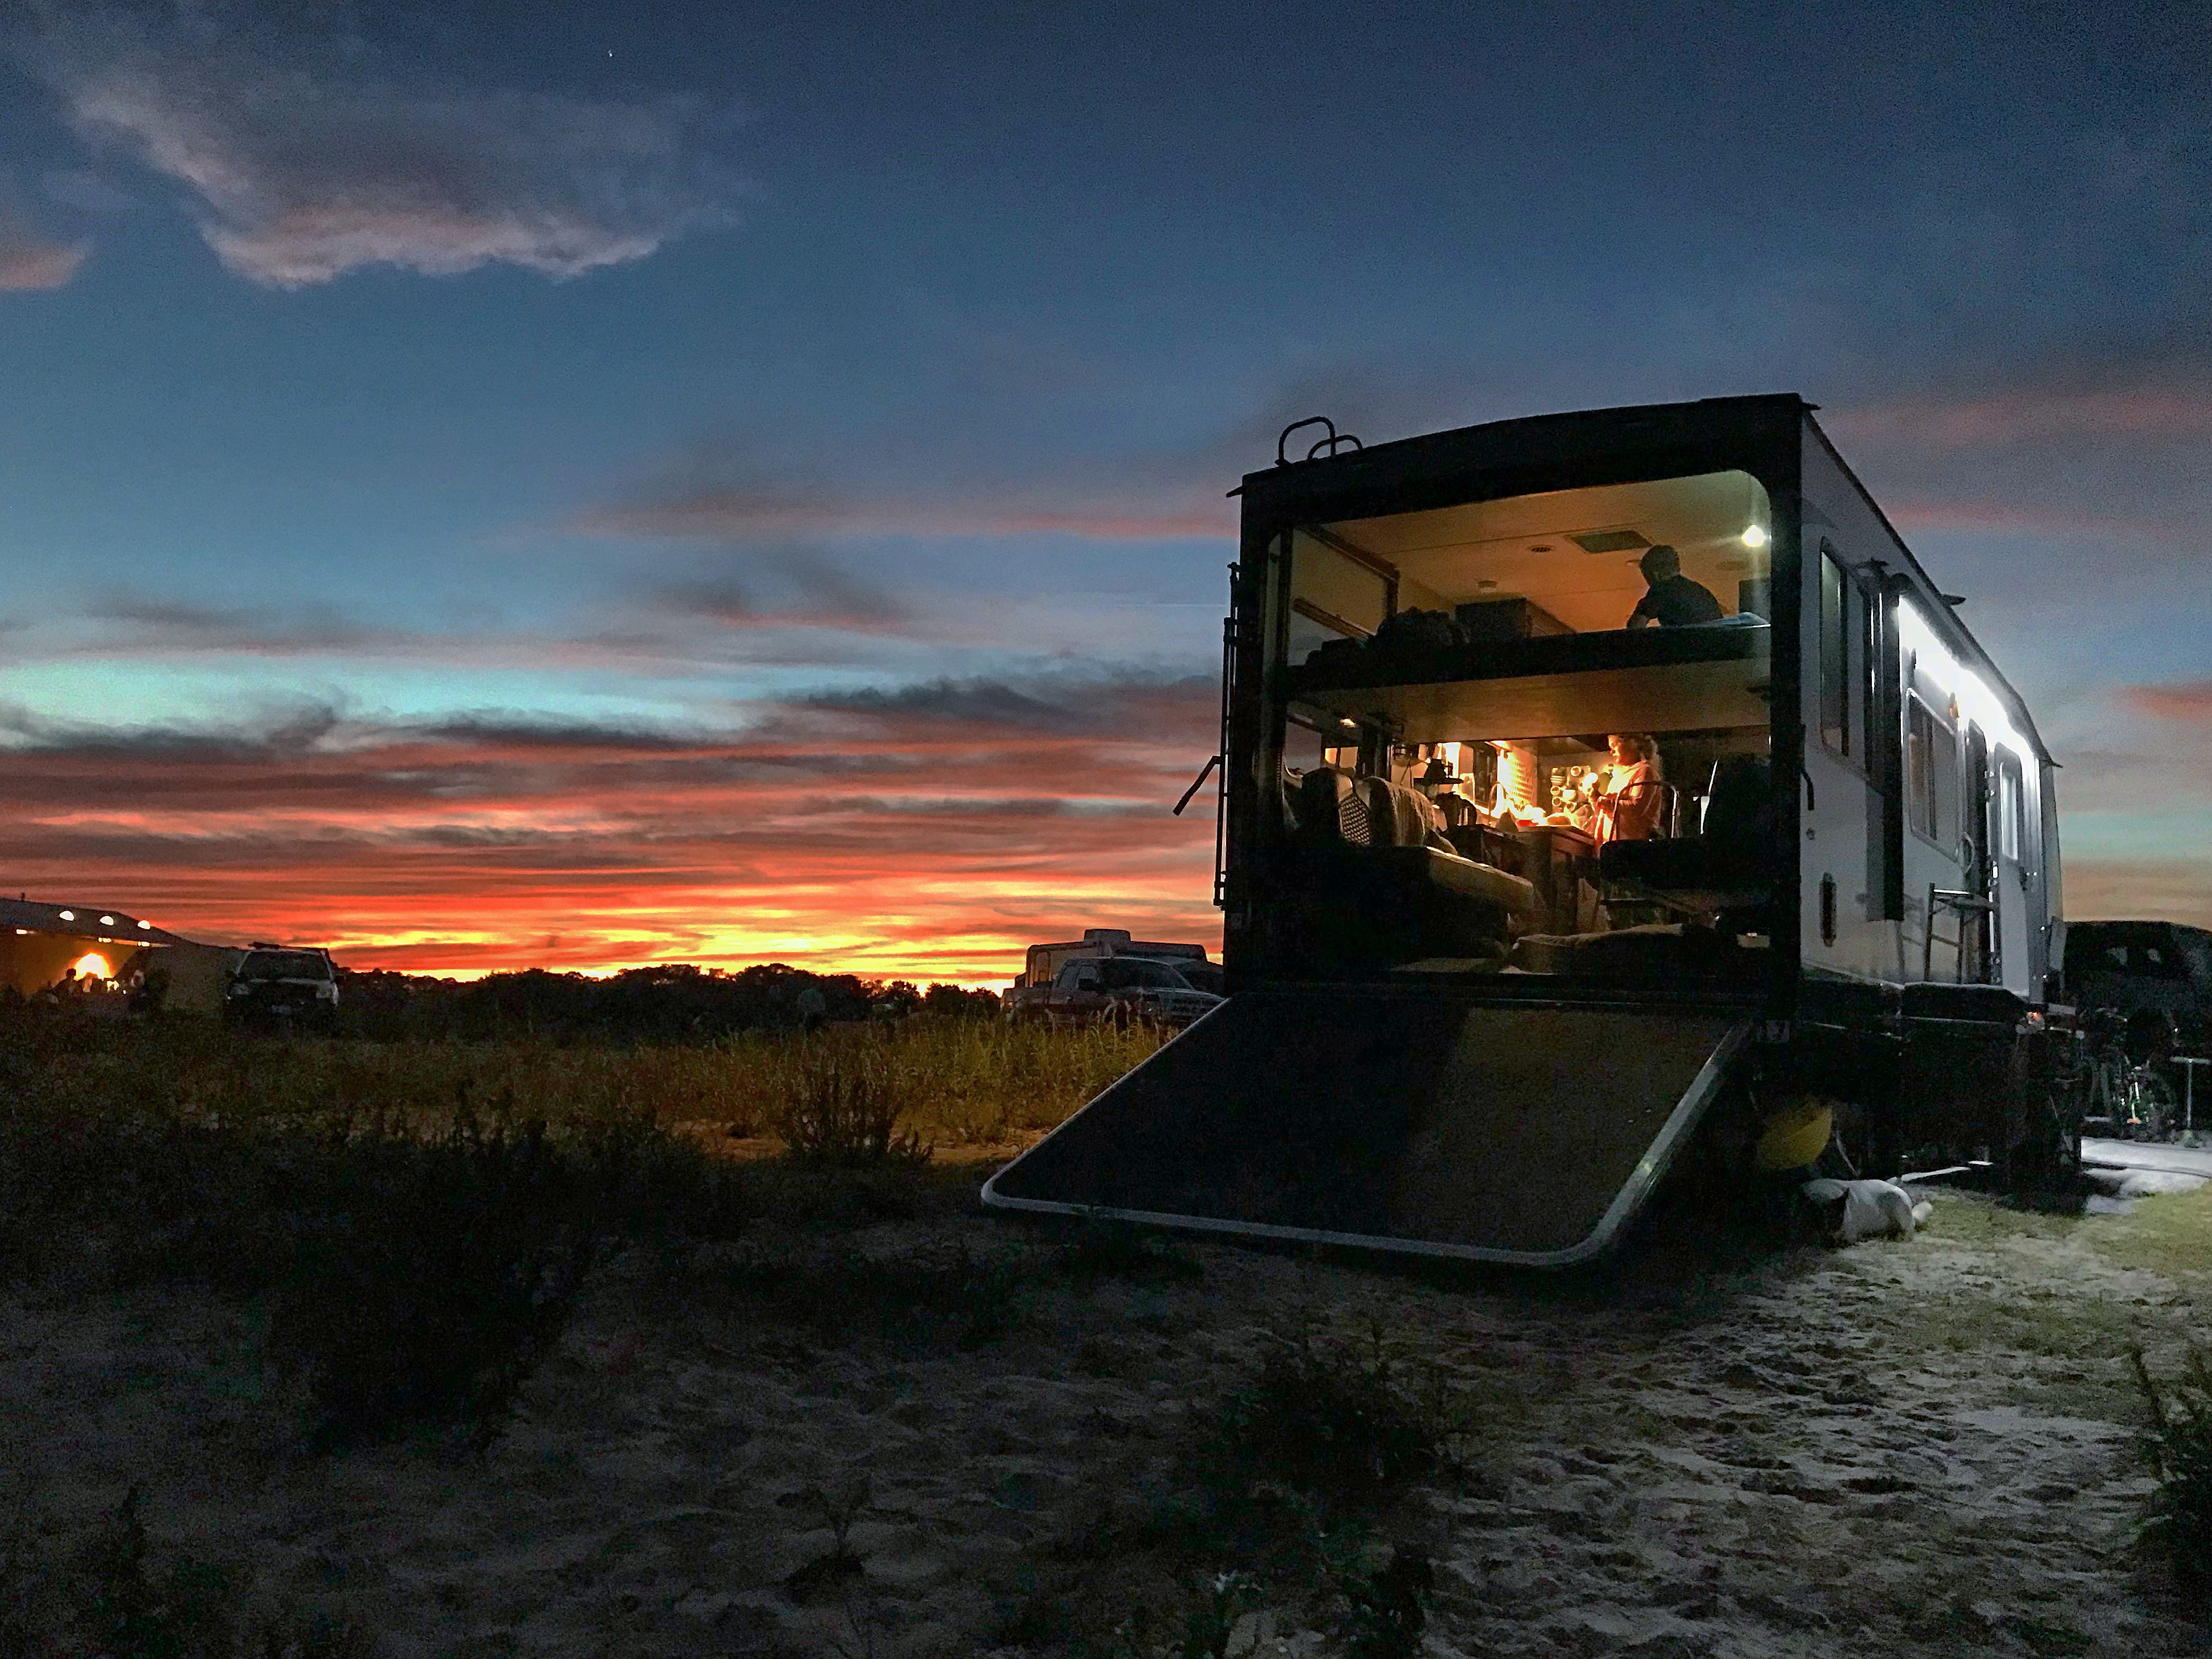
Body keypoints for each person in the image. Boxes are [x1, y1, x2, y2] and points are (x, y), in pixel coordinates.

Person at [1625, 544, 1724, 629]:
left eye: (1645, 575)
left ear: (1655, 574)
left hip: (1687, 647)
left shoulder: (1661, 589)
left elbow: (1635, 627)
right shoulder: (1699, 590)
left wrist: (1642, 606)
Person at [1593, 734, 1666, 844]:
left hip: (1632, 845)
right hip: (1613, 844)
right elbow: (1604, 812)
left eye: (1615, 745)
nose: (1612, 752)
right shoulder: (1618, 777)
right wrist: (1593, 796)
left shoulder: (1645, 771)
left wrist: (1607, 802)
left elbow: (1637, 807)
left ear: (1633, 743)